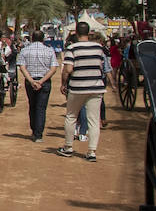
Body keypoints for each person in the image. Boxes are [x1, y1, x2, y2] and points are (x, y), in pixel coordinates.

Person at [58, 21, 111, 162]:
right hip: (96, 87)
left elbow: (68, 69)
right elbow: (101, 66)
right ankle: (92, 151)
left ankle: (68, 147)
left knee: (71, 117)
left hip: (77, 87)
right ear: (89, 33)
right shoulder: (99, 48)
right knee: (94, 120)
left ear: (76, 32)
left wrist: (63, 83)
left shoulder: (72, 48)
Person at [17, 30, 58, 142]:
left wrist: (31, 81)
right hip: (44, 82)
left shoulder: (25, 50)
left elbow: (22, 67)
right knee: (41, 108)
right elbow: (53, 68)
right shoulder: (49, 51)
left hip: (30, 82)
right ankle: (38, 134)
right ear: (43, 38)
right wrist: (41, 81)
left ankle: (34, 130)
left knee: (32, 105)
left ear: (32, 38)